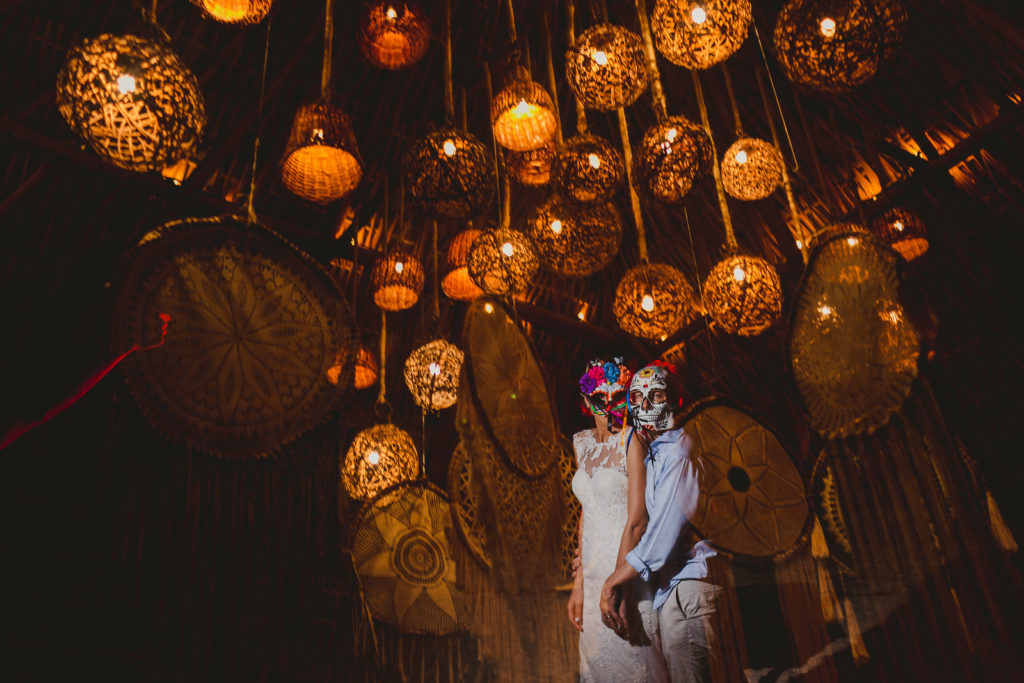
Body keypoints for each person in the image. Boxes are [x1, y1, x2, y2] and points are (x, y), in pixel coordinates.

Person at [600, 361, 721, 683]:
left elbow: (659, 536)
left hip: (689, 583)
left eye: (654, 395)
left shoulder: (681, 452)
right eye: (637, 397)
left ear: (674, 399)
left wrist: (614, 581)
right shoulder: (656, 454)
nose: (644, 405)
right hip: (669, 588)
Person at [567, 358, 669, 683]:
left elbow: (638, 521)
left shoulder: (631, 441)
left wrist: (619, 586)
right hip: (594, 572)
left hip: (625, 572)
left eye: (616, 399)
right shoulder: (580, 444)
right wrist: (579, 583)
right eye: (599, 400)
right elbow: (587, 508)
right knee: (598, 669)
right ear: (586, 401)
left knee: (633, 665)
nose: (609, 408)